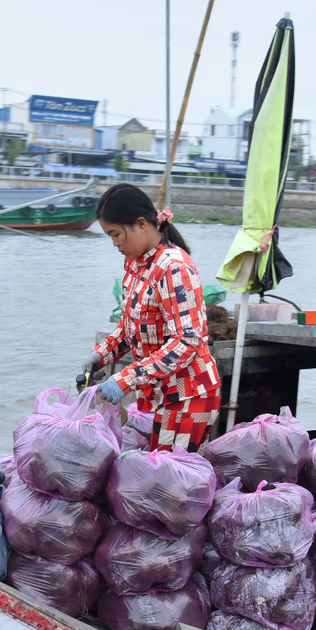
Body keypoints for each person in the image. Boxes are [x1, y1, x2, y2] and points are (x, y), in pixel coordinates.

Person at [83, 183, 221, 452]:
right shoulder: (135, 264)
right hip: (155, 394)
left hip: (189, 396)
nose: (114, 243)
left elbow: (187, 341)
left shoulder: (174, 268)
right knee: (150, 475)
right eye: (109, 236)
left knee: (168, 481)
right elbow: (131, 325)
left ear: (142, 224)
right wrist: (101, 354)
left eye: (117, 234)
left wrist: (126, 379)